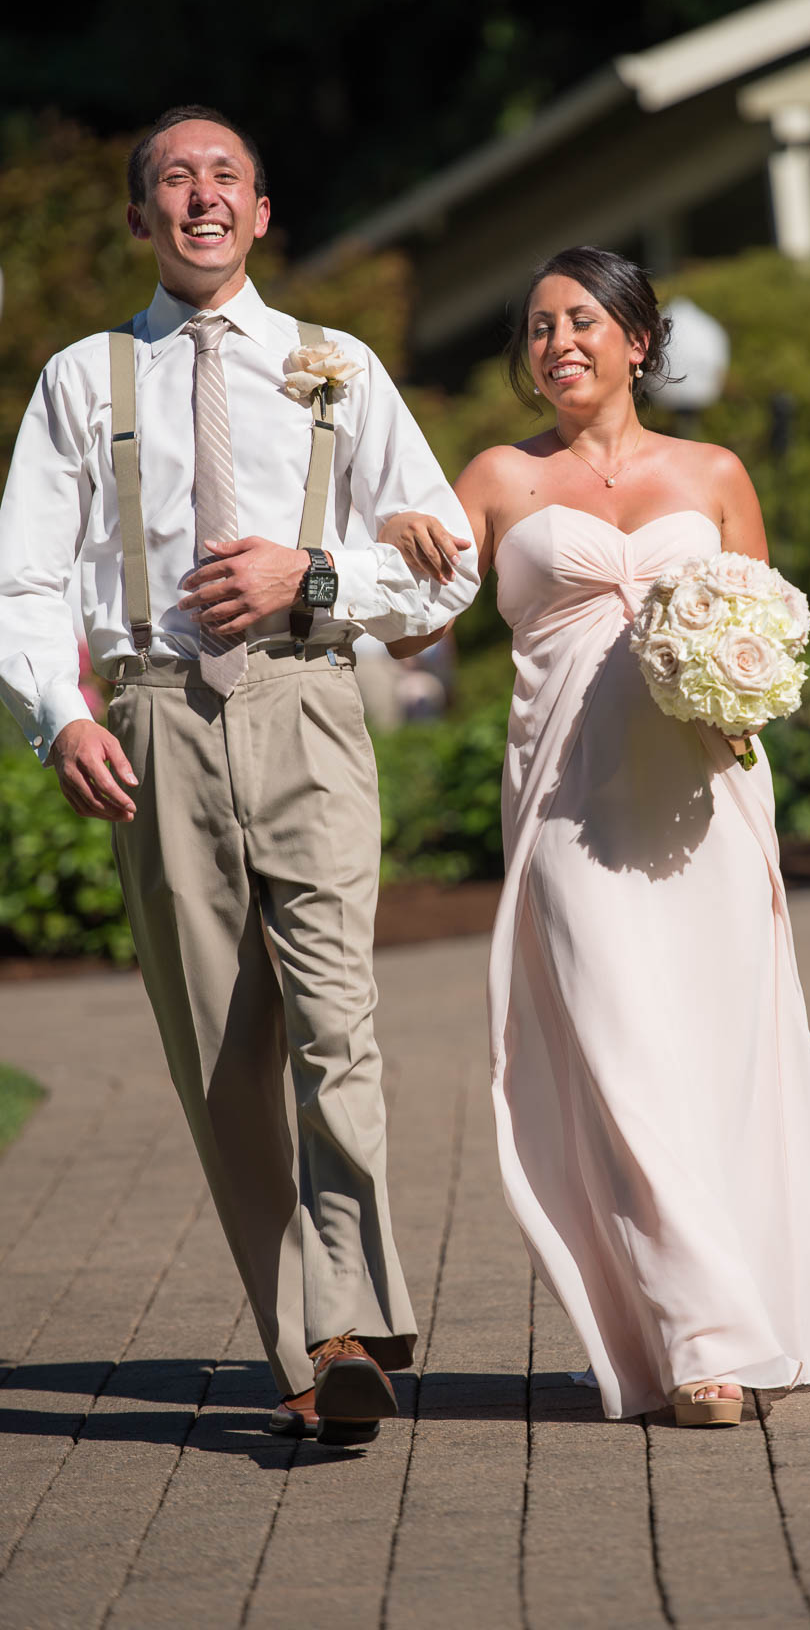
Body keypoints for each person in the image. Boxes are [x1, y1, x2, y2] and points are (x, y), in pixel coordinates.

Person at [0, 105, 480, 1446]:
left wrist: (311, 573)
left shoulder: (338, 368)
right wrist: (62, 717)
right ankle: (308, 1352)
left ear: (262, 213)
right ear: (140, 217)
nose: (201, 196)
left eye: (226, 177)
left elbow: (453, 562)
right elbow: (26, 579)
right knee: (224, 1053)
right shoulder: (80, 382)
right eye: (173, 179)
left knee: (338, 1022)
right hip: (151, 716)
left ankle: (358, 1315)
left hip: (310, 700)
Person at [384, 246, 810, 1427]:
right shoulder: (494, 476)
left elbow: (768, 634)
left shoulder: (713, 471)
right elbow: (403, 637)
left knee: (713, 1060)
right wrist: (401, 541)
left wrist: (740, 696)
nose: (558, 345)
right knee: (620, 1053)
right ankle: (700, 1342)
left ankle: (727, 1307)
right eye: (537, 328)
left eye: (581, 320)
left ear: (638, 341)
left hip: (705, 813)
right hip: (564, 815)